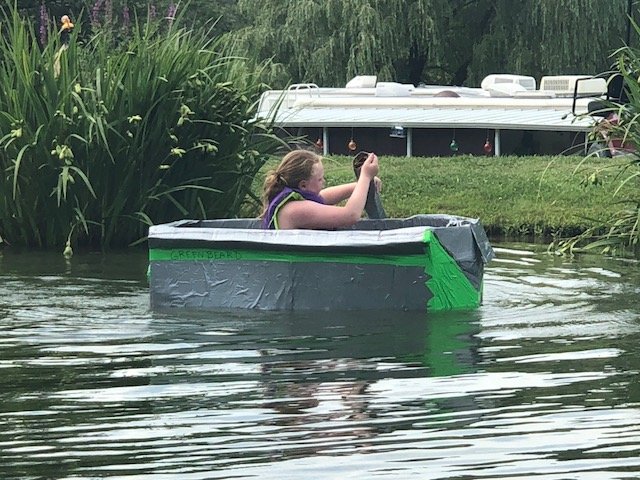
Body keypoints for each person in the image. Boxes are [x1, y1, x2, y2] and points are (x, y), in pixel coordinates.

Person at [261, 149, 380, 229]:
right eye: (320, 179)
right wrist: (366, 176)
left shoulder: (295, 200)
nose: (323, 182)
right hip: (290, 266)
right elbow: (350, 215)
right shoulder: (294, 210)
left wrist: (359, 186)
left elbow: (323, 196)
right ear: (303, 185)